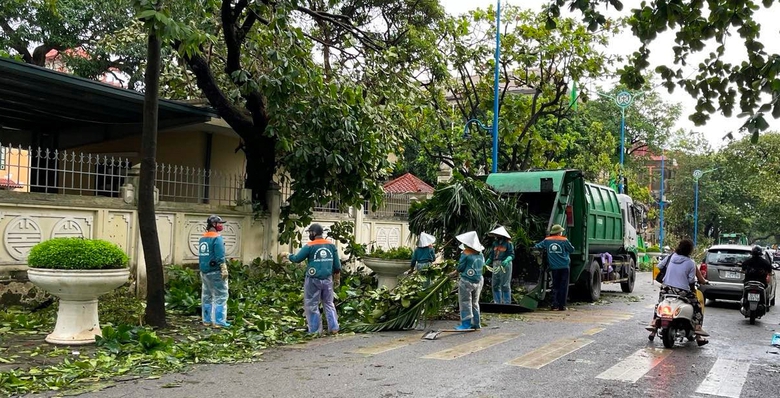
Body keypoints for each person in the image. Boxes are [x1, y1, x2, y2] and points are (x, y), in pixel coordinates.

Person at [646, 238, 709, 346]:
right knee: (697, 305)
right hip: (682, 291)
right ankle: (698, 331)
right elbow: (690, 281)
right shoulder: (690, 263)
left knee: (660, 303)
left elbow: (659, 267)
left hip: (666, 288)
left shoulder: (671, 257)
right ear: (690, 250)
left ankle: (654, 327)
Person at [288, 223, 341, 335]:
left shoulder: (310, 246)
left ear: (313, 233)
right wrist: (337, 278)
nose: (309, 235)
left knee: (312, 304)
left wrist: (287, 255)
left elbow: (297, 259)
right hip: (327, 279)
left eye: (310, 233)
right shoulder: (331, 246)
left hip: (313, 280)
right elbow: (337, 266)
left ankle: (315, 331)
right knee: (328, 303)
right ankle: (334, 328)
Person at [198, 215, 230, 328]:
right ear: (214, 225)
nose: (221, 226)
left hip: (204, 271)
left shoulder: (202, 238)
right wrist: (223, 267)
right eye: (219, 223)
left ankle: (207, 320)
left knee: (207, 295)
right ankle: (219, 322)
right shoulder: (217, 238)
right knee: (221, 295)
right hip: (216, 270)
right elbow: (220, 254)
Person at [534, 224, 575, 311]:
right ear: (559, 232)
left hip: (554, 267)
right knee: (563, 286)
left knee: (555, 286)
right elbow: (571, 249)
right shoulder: (564, 240)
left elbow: (537, 247)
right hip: (564, 266)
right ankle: (562, 306)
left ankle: (554, 305)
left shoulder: (547, 240)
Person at [453, 231, 485, 330]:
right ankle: (476, 323)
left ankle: (466, 324)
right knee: (475, 302)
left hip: (466, 280)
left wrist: (455, 272)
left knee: (465, 302)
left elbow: (461, 267)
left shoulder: (465, 253)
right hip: (478, 280)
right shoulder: (480, 254)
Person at [485, 226, 514, 304]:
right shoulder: (495, 243)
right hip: (495, 263)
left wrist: (507, 260)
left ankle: (507, 303)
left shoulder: (508, 243)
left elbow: (512, 254)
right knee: (495, 284)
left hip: (505, 264)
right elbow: (492, 255)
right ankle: (497, 302)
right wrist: (486, 263)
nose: (496, 236)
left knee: (505, 284)